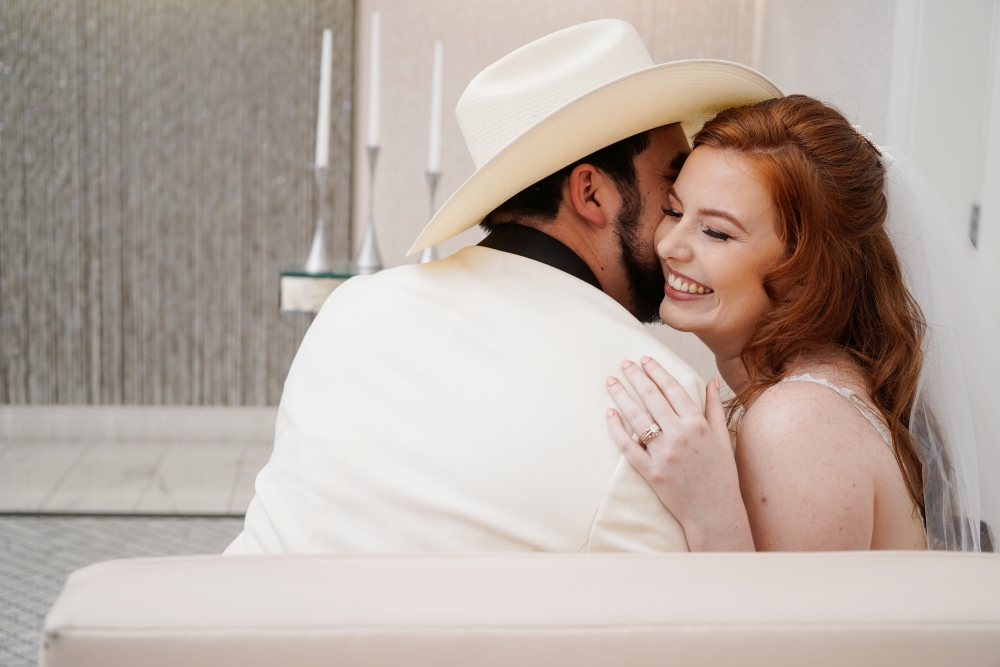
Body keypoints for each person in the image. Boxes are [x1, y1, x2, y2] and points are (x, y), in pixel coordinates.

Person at [225, 20, 781, 554]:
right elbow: (690, 614)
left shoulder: (355, 303)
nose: (680, 217)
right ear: (591, 194)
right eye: (673, 183)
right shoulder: (655, 411)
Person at [605, 94, 1000, 552]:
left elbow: (785, 605)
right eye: (674, 211)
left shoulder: (796, 421)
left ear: (807, 273)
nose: (668, 245)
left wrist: (709, 512)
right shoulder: (819, 393)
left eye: (716, 232)